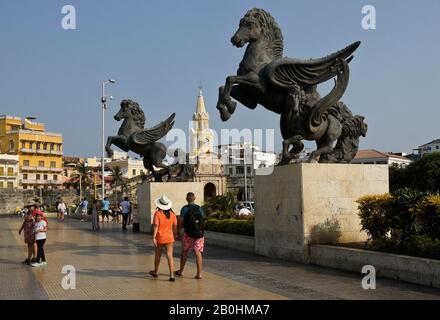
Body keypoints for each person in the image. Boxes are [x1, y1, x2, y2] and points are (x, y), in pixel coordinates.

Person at [175, 192, 205, 280]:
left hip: (188, 234)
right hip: (199, 234)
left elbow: (180, 221)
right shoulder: (199, 208)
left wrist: (178, 231)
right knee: (198, 252)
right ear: (194, 198)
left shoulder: (184, 209)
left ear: (186, 199)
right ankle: (199, 274)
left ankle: (180, 271)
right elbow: (202, 220)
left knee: (184, 251)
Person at [149, 195, 177, 282]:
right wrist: (175, 235)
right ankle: (171, 275)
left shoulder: (157, 214)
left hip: (160, 237)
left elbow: (156, 226)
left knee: (158, 255)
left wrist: (153, 237)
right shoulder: (172, 214)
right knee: (170, 256)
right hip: (169, 237)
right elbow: (175, 226)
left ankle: (155, 271)